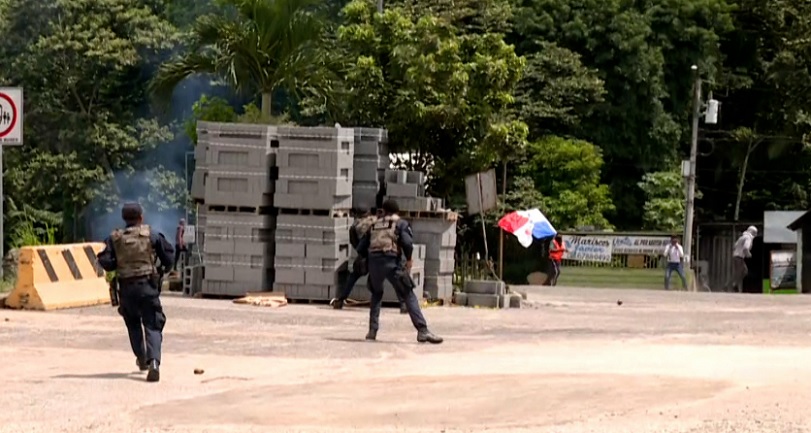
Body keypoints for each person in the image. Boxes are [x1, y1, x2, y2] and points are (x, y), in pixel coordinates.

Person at [97, 203, 174, 382]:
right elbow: (169, 257)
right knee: (153, 323)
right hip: (148, 286)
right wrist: (162, 269)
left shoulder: (115, 238)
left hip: (126, 288)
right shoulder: (152, 235)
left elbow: (106, 262)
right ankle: (154, 362)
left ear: (124, 219)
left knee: (132, 323)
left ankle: (141, 358)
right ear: (141, 217)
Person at [356, 199, 443, 344]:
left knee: (376, 294)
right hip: (391, 261)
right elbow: (407, 242)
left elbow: (361, 247)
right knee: (408, 293)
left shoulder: (374, 225)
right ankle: (422, 330)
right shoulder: (400, 223)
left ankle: (372, 331)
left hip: (374, 263)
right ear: (397, 211)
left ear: (383, 210)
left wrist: (368, 261)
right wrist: (408, 259)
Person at [331, 209, 408, 313]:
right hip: (381, 256)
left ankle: (340, 300)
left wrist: (362, 254)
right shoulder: (381, 224)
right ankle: (403, 304)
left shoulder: (357, 224)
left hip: (365, 256)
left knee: (353, 277)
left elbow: (355, 242)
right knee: (394, 278)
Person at [727, 226, 757, 292]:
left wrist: (738, 251)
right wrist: (748, 254)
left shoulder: (742, 237)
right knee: (739, 272)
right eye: (755, 233)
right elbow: (746, 248)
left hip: (736, 257)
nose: (755, 235)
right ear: (752, 232)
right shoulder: (748, 237)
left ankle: (734, 285)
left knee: (743, 271)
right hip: (739, 257)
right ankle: (728, 286)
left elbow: (734, 246)